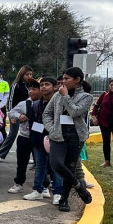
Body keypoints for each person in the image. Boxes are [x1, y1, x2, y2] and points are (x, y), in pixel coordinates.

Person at [42, 67, 93, 212]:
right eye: (62, 78)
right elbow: (47, 113)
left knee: (70, 166)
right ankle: (78, 186)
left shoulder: (86, 97)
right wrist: (51, 129)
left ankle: (64, 199)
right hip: (58, 134)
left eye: (66, 79)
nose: (63, 81)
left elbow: (75, 112)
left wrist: (65, 96)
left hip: (75, 136)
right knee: (56, 163)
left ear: (77, 80)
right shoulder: (57, 95)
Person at [6, 79, 41, 194]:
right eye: (29, 89)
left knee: (41, 163)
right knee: (21, 163)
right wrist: (19, 115)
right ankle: (19, 183)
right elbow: (11, 112)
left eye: (34, 89)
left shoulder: (46, 103)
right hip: (24, 137)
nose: (31, 92)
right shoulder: (25, 103)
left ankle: (43, 185)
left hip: (40, 137)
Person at [0, 65, 34, 159]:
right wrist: (13, 116)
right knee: (12, 134)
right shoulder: (15, 85)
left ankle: (35, 158)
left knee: (32, 134)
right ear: (22, 74)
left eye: (31, 74)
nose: (29, 76)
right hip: (16, 113)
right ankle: (0, 154)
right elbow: (11, 101)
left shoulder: (31, 86)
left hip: (29, 114)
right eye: (27, 74)